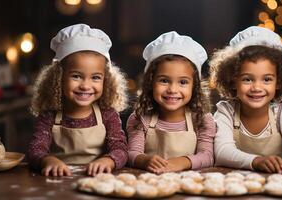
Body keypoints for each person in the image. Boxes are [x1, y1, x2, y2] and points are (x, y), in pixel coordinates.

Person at [210, 26, 282, 173]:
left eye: (267, 79)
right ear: (233, 80)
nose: (257, 87)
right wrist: (256, 161)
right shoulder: (226, 111)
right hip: (235, 185)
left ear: (279, 82)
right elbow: (222, 152)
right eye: (247, 79)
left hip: (277, 185)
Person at [28, 24, 128, 177]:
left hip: (96, 180)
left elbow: (120, 149)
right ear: (58, 78)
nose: (85, 86)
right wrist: (47, 160)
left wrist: (108, 161)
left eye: (95, 77)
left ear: (106, 81)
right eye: (76, 76)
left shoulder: (107, 114)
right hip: (56, 182)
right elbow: (36, 149)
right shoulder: (49, 116)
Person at [127, 31, 216, 174]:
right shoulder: (140, 119)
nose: (172, 89)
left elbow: (208, 156)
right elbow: (131, 153)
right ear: (150, 83)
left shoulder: (202, 120)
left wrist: (182, 162)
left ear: (194, 86)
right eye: (164, 80)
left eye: (182, 82)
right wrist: (144, 160)